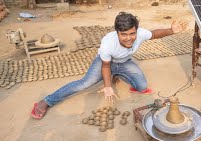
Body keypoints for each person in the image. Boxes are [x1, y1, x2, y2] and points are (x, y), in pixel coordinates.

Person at [31, 12, 187, 120]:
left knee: (142, 86)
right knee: (84, 83)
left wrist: (171, 30)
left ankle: (118, 74)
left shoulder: (140, 33)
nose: (129, 38)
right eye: (123, 34)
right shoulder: (107, 44)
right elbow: (105, 66)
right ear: (117, 32)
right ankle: (46, 101)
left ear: (136, 30)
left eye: (132, 33)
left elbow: (154, 34)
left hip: (125, 62)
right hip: (105, 63)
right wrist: (107, 86)